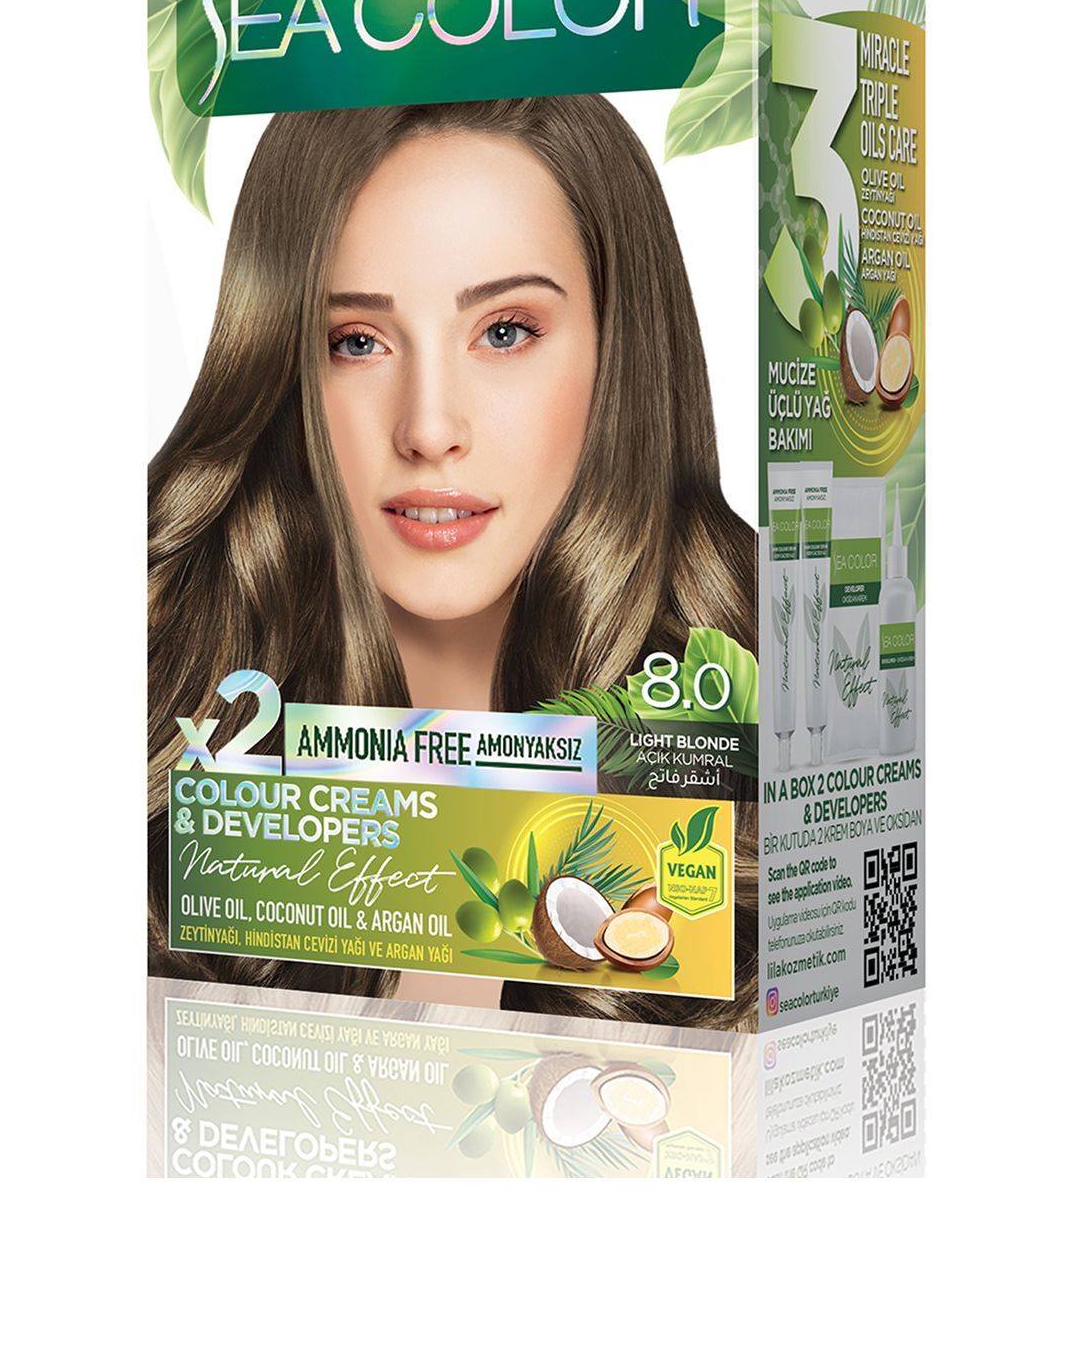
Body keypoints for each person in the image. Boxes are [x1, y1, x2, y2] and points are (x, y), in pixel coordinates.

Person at [149, 95, 756, 1022]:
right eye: (356, 342)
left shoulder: (759, 751)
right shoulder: (165, 746)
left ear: (621, 355)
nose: (429, 428)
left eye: (504, 332)